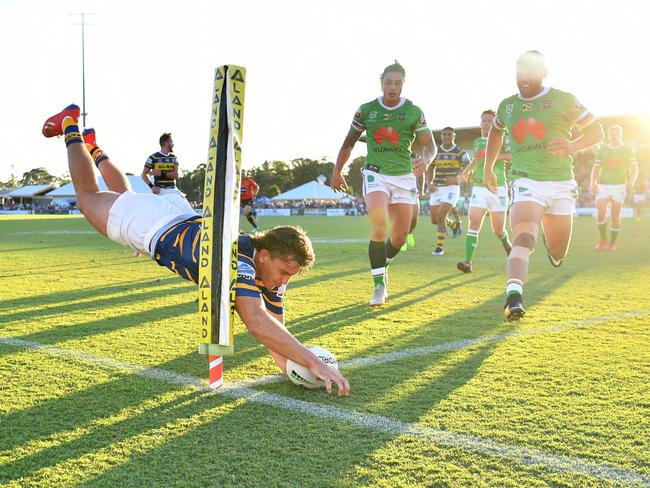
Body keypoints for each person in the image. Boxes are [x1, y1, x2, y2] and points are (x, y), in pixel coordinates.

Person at [41, 104, 350, 396]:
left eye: (290, 277)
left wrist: (291, 368)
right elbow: (255, 321)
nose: (284, 282)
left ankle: (94, 146)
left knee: (123, 195)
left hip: (165, 215)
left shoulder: (267, 269)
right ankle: (71, 126)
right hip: (150, 226)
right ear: (265, 255)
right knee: (88, 195)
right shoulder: (240, 260)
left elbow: (274, 329)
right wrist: (314, 361)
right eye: (284, 273)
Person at [484, 51, 603, 320]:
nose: (524, 77)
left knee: (559, 251)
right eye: (520, 72)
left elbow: (597, 130)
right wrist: (489, 168)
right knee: (524, 238)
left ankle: (553, 245)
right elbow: (496, 131)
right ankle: (514, 296)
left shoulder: (564, 100)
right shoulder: (507, 106)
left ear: (544, 73)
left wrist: (572, 145)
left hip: (561, 184)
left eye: (530, 72)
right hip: (525, 180)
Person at [331, 61, 436, 306]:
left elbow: (430, 144)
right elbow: (348, 142)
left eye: (397, 83)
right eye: (388, 82)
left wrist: (427, 160)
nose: (392, 87)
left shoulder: (413, 111)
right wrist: (337, 171)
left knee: (399, 237)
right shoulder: (366, 110)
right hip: (375, 174)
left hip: (404, 177)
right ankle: (379, 286)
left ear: (403, 84)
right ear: (381, 83)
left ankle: (382, 263)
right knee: (379, 227)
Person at [457, 110, 513, 273]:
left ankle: (507, 244)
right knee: (474, 222)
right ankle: (468, 262)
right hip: (480, 187)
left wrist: (493, 156)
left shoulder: (503, 138)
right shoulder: (476, 142)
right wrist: (466, 171)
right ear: (480, 123)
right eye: (484, 121)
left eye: (490, 120)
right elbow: (476, 160)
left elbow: (511, 155)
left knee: (498, 230)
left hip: (498, 187)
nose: (487, 123)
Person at [591, 125, 638, 250]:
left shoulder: (628, 149)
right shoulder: (602, 150)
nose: (614, 135)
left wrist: (632, 180)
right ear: (609, 135)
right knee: (601, 212)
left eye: (617, 133)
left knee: (615, 216)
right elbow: (596, 168)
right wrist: (593, 182)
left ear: (620, 134)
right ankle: (602, 240)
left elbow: (634, 168)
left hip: (620, 185)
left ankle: (612, 242)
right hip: (603, 185)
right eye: (612, 133)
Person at [425, 127, 470, 256]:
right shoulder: (436, 151)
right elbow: (430, 167)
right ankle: (454, 225)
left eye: (449, 134)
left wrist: (459, 177)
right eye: (444, 134)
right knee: (435, 220)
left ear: (453, 136)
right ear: (441, 136)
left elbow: (469, 167)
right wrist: (430, 183)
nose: (447, 136)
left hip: (451, 188)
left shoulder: (460, 152)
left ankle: (439, 248)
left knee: (440, 215)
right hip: (437, 188)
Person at [141, 132, 195, 214]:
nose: (173, 144)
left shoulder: (173, 158)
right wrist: (152, 187)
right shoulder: (153, 157)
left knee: (190, 213)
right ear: (166, 143)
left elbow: (176, 175)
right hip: (160, 191)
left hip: (173, 190)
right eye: (171, 142)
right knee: (157, 215)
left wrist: (161, 173)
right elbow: (144, 174)